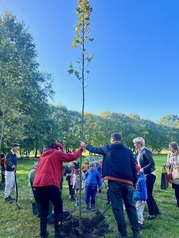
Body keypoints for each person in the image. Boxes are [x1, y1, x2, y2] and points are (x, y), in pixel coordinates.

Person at [81, 133, 141, 238]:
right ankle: (136, 232)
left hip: (114, 182)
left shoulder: (108, 148)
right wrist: (134, 183)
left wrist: (85, 145)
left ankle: (123, 233)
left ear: (112, 139)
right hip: (129, 183)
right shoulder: (128, 151)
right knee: (131, 207)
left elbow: (95, 149)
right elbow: (134, 167)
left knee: (117, 208)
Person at [33, 141, 83, 238]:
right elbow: (72, 157)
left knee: (44, 208)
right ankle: (58, 232)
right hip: (49, 182)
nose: (62, 151)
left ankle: (43, 234)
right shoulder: (56, 153)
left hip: (38, 183)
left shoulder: (43, 156)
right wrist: (81, 149)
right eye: (62, 149)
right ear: (58, 148)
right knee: (58, 205)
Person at [133, 137, 160, 220]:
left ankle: (152, 214)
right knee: (149, 194)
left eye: (135, 143)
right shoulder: (140, 152)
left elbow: (152, 163)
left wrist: (143, 169)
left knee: (148, 194)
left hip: (150, 175)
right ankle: (156, 211)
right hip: (145, 175)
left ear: (139, 144)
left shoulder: (145, 151)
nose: (134, 145)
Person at [164, 142, 179, 207]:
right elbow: (169, 163)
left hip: (178, 171)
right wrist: (165, 165)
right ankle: (178, 201)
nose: (169, 148)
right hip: (174, 173)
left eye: (170, 147)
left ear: (174, 147)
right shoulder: (169, 154)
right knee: (176, 188)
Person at [134, 165, 147, 230]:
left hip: (141, 198)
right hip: (137, 197)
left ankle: (140, 224)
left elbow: (144, 189)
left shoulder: (141, 179)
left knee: (138, 211)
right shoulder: (137, 178)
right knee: (139, 210)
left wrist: (144, 199)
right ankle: (141, 221)